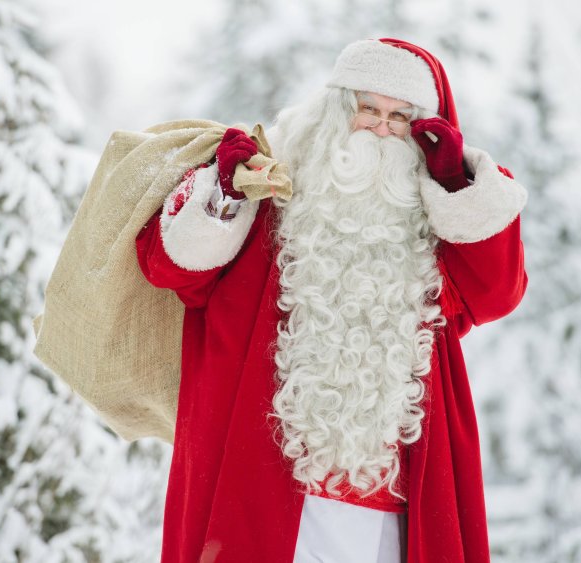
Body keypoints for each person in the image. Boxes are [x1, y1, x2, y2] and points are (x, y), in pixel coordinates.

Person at [135, 38, 528, 563]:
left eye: (399, 116)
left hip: (391, 510)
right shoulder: (273, 193)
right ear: (337, 109)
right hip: (263, 494)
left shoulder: (433, 226)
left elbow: (497, 292)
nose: (381, 127)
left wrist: (457, 183)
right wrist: (225, 192)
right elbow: (175, 271)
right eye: (368, 108)